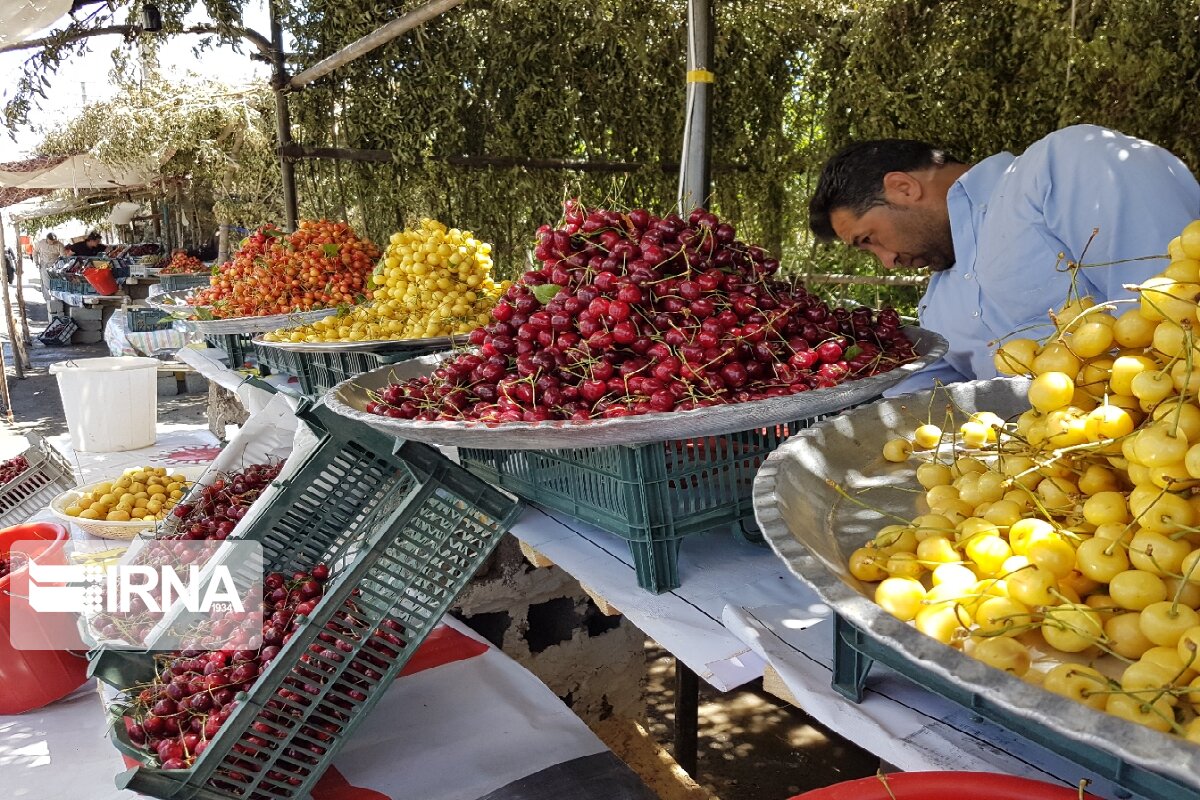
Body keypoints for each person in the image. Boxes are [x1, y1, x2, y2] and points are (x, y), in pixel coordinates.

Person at [808, 124, 1200, 393]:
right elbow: (925, 405)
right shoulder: (938, 304)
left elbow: (1173, 314)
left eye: (870, 240)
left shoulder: (1063, 165)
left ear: (903, 188)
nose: (888, 261)